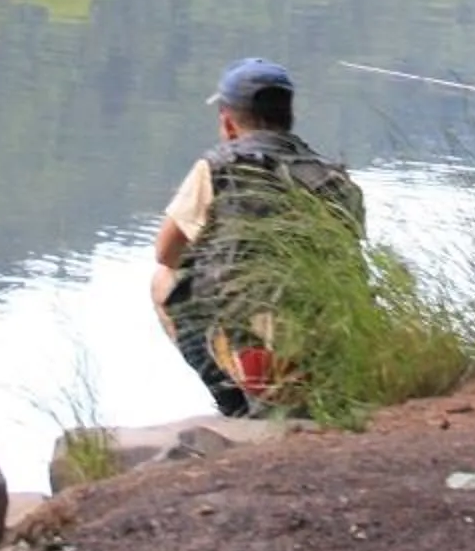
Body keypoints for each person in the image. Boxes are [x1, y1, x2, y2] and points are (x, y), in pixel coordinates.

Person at [151, 57, 366, 417]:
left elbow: (166, 252)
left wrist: (213, 258)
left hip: (250, 342)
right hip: (325, 341)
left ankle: (233, 404)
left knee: (163, 282)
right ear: (289, 117)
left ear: (228, 122)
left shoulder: (216, 167)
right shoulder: (335, 179)